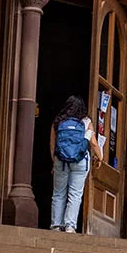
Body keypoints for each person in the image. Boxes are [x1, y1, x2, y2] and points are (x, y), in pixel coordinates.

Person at [49, 95, 93, 232]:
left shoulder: (58, 122)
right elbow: (94, 143)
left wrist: (55, 161)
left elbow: (52, 145)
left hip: (60, 161)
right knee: (75, 193)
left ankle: (56, 225)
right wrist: (101, 158)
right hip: (80, 161)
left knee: (58, 193)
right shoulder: (86, 122)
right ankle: (70, 226)